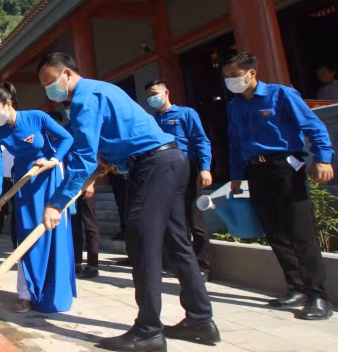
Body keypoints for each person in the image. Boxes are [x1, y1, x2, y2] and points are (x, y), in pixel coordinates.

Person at [37, 52, 217, 351]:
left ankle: (148, 330)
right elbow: (121, 137)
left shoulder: (85, 98)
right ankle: (201, 320)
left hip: (154, 166)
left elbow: (82, 157)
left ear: (66, 73)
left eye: (49, 82)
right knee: (177, 242)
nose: (48, 90)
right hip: (170, 160)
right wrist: (114, 163)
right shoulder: (102, 89)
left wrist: (56, 202)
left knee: (142, 243)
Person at [224, 51, 334, 320]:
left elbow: (314, 127)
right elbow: (235, 144)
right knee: (274, 231)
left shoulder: (281, 95)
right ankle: (295, 287)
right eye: (226, 77)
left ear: (252, 72)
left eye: (235, 76)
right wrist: (236, 176)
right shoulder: (235, 107)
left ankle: (318, 296)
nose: (231, 82)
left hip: (286, 167)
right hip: (256, 170)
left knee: (300, 232)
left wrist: (324, 158)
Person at [0, 82, 75, 313]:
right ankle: (26, 294)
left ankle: (56, 292)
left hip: (50, 177)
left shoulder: (36, 117)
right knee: (27, 235)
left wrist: (54, 161)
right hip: (24, 184)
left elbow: (66, 139)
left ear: (8, 104)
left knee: (54, 231)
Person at [146, 79, 213, 280]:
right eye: (149, 95)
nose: (152, 98)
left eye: (155, 93)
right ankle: (181, 264)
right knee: (173, 220)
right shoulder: (152, 120)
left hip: (188, 168)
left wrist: (205, 168)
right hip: (163, 172)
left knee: (194, 219)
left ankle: (202, 266)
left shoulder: (186, 114)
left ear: (166, 92)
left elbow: (201, 140)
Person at [48, 110, 101, 279]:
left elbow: (94, 156)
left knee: (90, 223)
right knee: (75, 223)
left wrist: (91, 182)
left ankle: (93, 264)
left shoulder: (86, 127)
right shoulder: (66, 130)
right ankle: (76, 261)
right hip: (71, 183)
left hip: (86, 180)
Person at [0, 144, 17, 249]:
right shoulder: (1, 144)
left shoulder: (19, 141)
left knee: (16, 212)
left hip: (16, 179)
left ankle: (15, 240)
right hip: (3, 180)